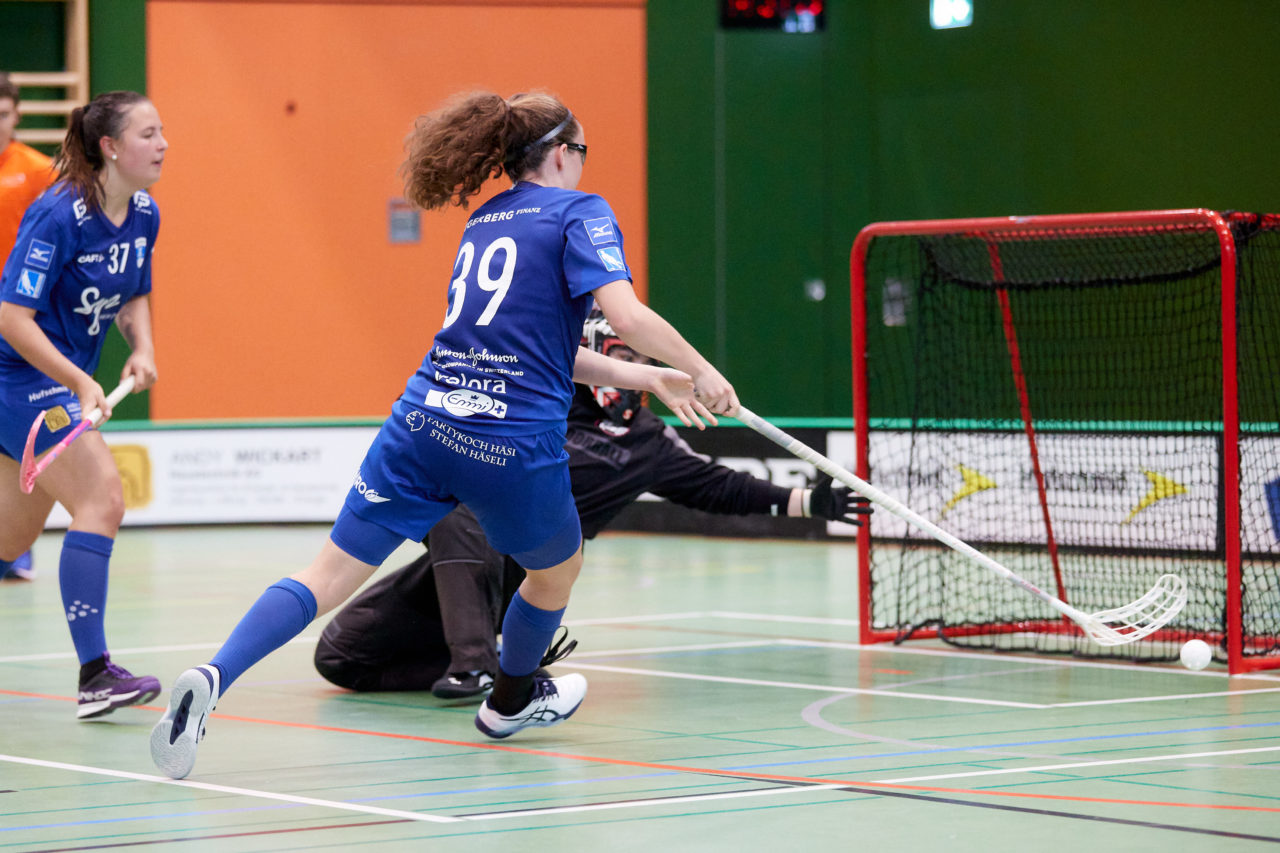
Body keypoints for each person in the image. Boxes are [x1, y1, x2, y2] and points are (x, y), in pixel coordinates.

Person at [150, 90, 738, 779]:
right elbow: (628, 317)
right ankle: (510, 701)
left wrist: (646, 381)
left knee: (328, 572)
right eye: (580, 152)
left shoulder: (486, 219)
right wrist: (698, 369)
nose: (582, 165)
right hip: (510, 439)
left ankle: (214, 675)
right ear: (559, 153)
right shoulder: (582, 211)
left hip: (422, 420)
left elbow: (538, 345)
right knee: (556, 571)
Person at [314, 307, 870, 697]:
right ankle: (505, 664)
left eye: (639, 359)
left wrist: (807, 501)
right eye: (621, 356)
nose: (631, 374)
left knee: (462, 520)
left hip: (528, 576)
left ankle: (482, 669)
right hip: (462, 569)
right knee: (338, 656)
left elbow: (715, 486)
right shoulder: (544, 408)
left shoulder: (650, 444)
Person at [0, 90, 166, 717]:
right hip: (19, 380)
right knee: (104, 498)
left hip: (54, 382)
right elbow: (13, 318)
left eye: (162, 133)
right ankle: (96, 673)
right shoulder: (57, 216)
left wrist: (142, 347)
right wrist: (76, 379)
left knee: (8, 537)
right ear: (110, 147)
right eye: (149, 134)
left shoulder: (145, 213)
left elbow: (134, 292)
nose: (163, 145)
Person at [0, 72, 57, 581]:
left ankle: (16, 547)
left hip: (16, 322)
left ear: (16, 116)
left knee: (17, 433)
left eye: (2, 115)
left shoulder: (38, 172)